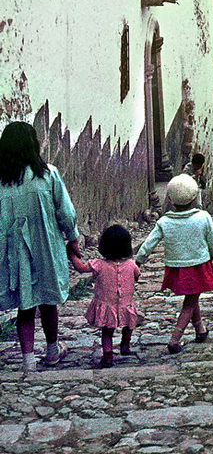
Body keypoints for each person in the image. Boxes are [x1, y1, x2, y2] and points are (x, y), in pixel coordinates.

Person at [0, 121, 80, 374]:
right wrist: (73, 238)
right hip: (45, 246)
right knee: (47, 301)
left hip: (15, 251)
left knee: (25, 305)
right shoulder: (48, 174)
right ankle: (52, 349)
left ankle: (28, 361)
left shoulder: (2, 182)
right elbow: (65, 212)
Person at [136, 174, 213, 354]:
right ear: (194, 197)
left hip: (176, 267)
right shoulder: (203, 217)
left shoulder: (165, 222)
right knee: (190, 302)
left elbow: (149, 243)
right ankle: (175, 339)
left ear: (171, 200)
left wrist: (139, 260)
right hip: (198, 264)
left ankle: (200, 330)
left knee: (192, 297)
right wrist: (212, 255)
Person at [68, 224, 140, 368]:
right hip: (125, 304)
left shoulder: (99, 265)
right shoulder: (131, 265)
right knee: (129, 326)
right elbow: (137, 275)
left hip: (107, 306)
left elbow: (80, 268)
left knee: (107, 331)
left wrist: (71, 255)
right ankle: (125, 345)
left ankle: (108, 356)